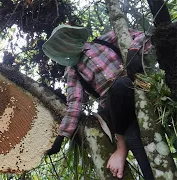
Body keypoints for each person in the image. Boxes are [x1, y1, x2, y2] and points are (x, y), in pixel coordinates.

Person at [42, 25, 154, 179]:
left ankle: (122, 146)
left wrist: (133, 51)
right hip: (116, 108)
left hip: (139, 88)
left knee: (140, 131)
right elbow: (74, 104)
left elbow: (142, 35)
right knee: (135, 140)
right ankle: (122, 146)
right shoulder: (73, 71)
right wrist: (61, 137)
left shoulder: (104, 41)